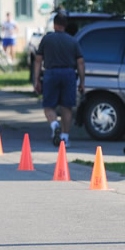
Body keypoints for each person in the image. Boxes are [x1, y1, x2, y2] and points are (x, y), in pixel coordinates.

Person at [32, 12, 85, 148]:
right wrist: (82, 82)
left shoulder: (47, 39)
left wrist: (36, 79)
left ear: (54, 25)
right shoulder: (73, 41)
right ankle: (65, 138)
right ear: (65, 26)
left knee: (48, 106)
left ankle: (55, 124)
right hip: (68, 74)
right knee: (66, 107)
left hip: (51, 73)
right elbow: (80, 63)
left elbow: (38, 61)